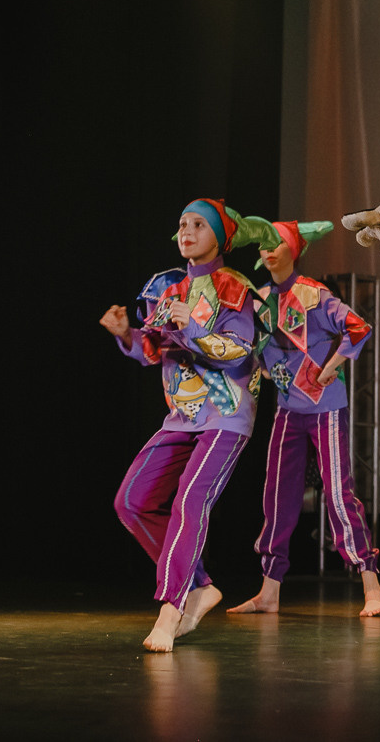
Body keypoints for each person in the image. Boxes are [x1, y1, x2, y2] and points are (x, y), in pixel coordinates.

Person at [100, 198, 280, 652]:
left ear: (219, 236)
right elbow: (153, 350)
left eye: (198, 224)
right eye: (182, 223)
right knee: (132, 501)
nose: (187, 230)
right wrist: (127, 334)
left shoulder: (235, 287)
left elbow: (239, 349)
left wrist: (195, 329)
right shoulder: (169, 289)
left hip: (227, 415)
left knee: (190, 499)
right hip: (182, 416)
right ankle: (199, 585)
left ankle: (171, 607)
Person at [227, 220, 380, 618]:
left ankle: (371, 583)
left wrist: (332, 365)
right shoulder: (260, 298)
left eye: (277, 242)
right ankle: (269, 592)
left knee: (337, 493)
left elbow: (358, 327)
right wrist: (263, 368)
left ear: (294, 249)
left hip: (325, 408)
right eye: (263, 243)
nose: (268, 249)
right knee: (277, 495)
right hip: (287, 410)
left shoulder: (314, 294)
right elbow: (252, 347)